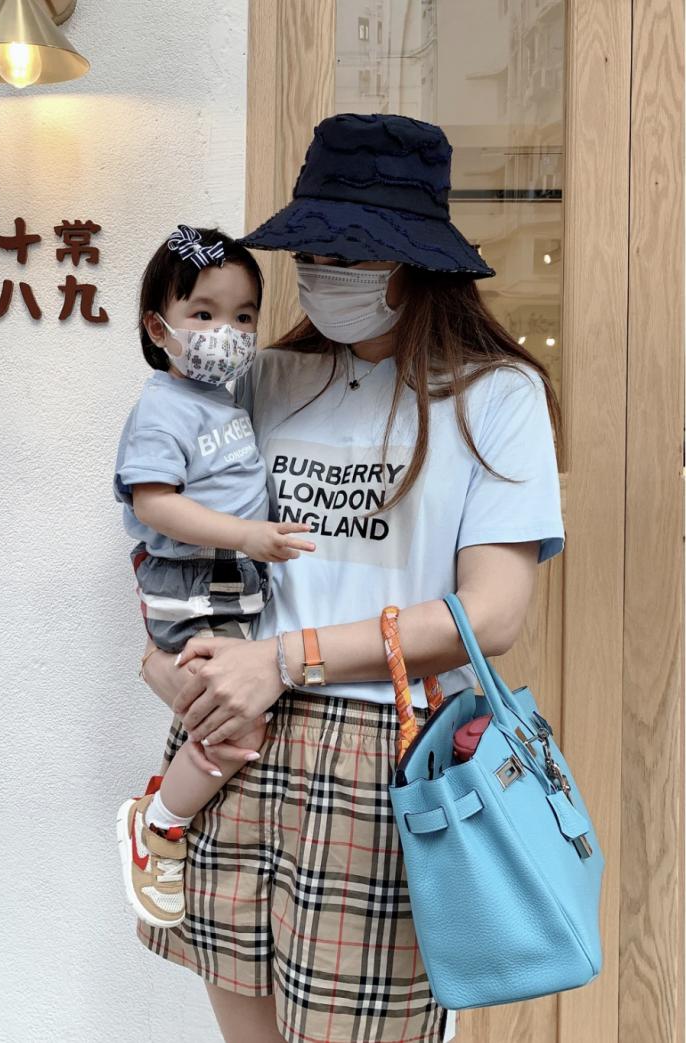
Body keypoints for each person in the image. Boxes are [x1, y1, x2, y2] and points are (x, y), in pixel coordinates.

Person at [133, 114, 565, 1043]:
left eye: (352, 252)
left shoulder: (495, 394)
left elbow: (491, 616)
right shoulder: (267, 376)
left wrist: (283, 658)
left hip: (385, 754)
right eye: (314, 249)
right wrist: (163, 657)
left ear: (416, 261)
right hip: (235, 738)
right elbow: (167, 522)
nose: (324, 270)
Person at [113, 224, 315, 929]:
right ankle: (159, 826)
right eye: (203, 314)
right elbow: (154, 502)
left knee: (229, 713)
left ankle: (165, 811)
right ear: (158, 327)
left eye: (243, 316)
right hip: (193, 585)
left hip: (225, 583)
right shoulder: (161, 409)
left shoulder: (222, 401)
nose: (225, 333)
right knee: (238, 721)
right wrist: (248, 535)